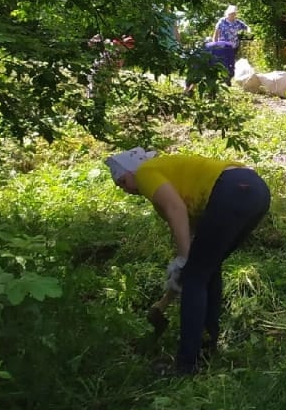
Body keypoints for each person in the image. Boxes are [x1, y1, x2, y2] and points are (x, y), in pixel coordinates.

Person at [106, 147, 271, 374]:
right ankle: (207, 346)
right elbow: (191, 230)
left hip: (233, 189)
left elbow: (177, 210)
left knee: (195, 276)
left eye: (122, 181)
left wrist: (184, 261)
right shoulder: (170, 180)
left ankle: (185, 365)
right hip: (255, 191)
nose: (123, 189)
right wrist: (182, 269)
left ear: (131, 171)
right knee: (207, 269)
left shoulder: (145, 172)